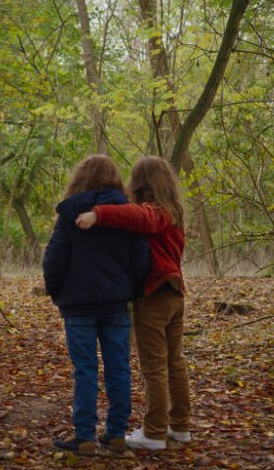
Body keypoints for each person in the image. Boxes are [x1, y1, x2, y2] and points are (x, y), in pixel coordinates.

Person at [75, 155, 191, 451]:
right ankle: (179, 427)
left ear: (140, 183)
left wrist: (98, 214)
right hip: (175, 294)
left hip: (155, 296)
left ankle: (154, 433)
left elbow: (137, 216)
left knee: (155, 367)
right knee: (174, 363)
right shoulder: (174, 211)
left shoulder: (156, 212)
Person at [43, 155, 149, 456]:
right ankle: (116, 433)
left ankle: (85, 435)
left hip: (78, 306)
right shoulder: (127, 215)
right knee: (119, 366)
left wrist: (58, 293)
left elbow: (54, 259)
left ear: (80, 178)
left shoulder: (70, 215)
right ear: (114, 179)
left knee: (85, 370)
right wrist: (132, 290)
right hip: (116, 304)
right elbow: (140, 258)